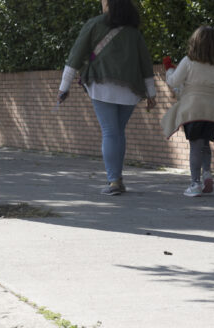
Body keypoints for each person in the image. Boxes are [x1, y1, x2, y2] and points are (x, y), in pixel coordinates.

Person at [57, 0, 156, 196]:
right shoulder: (134, 32)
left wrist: (63, 87)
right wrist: (151, 93)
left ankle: (114, 181)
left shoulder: (94, 24)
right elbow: (146, 64)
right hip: (130, 89)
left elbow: (75, 56)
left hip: (101, 84)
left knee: (110, 132)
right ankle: (117, 179)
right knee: (118, 132)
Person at [160, 26, 214, 197]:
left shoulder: (188, 61)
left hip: (193, 110)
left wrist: (169, 69)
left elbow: (174, 81)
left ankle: (195, 184)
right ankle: (207, 173)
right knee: (206, 143)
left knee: (195, 146)